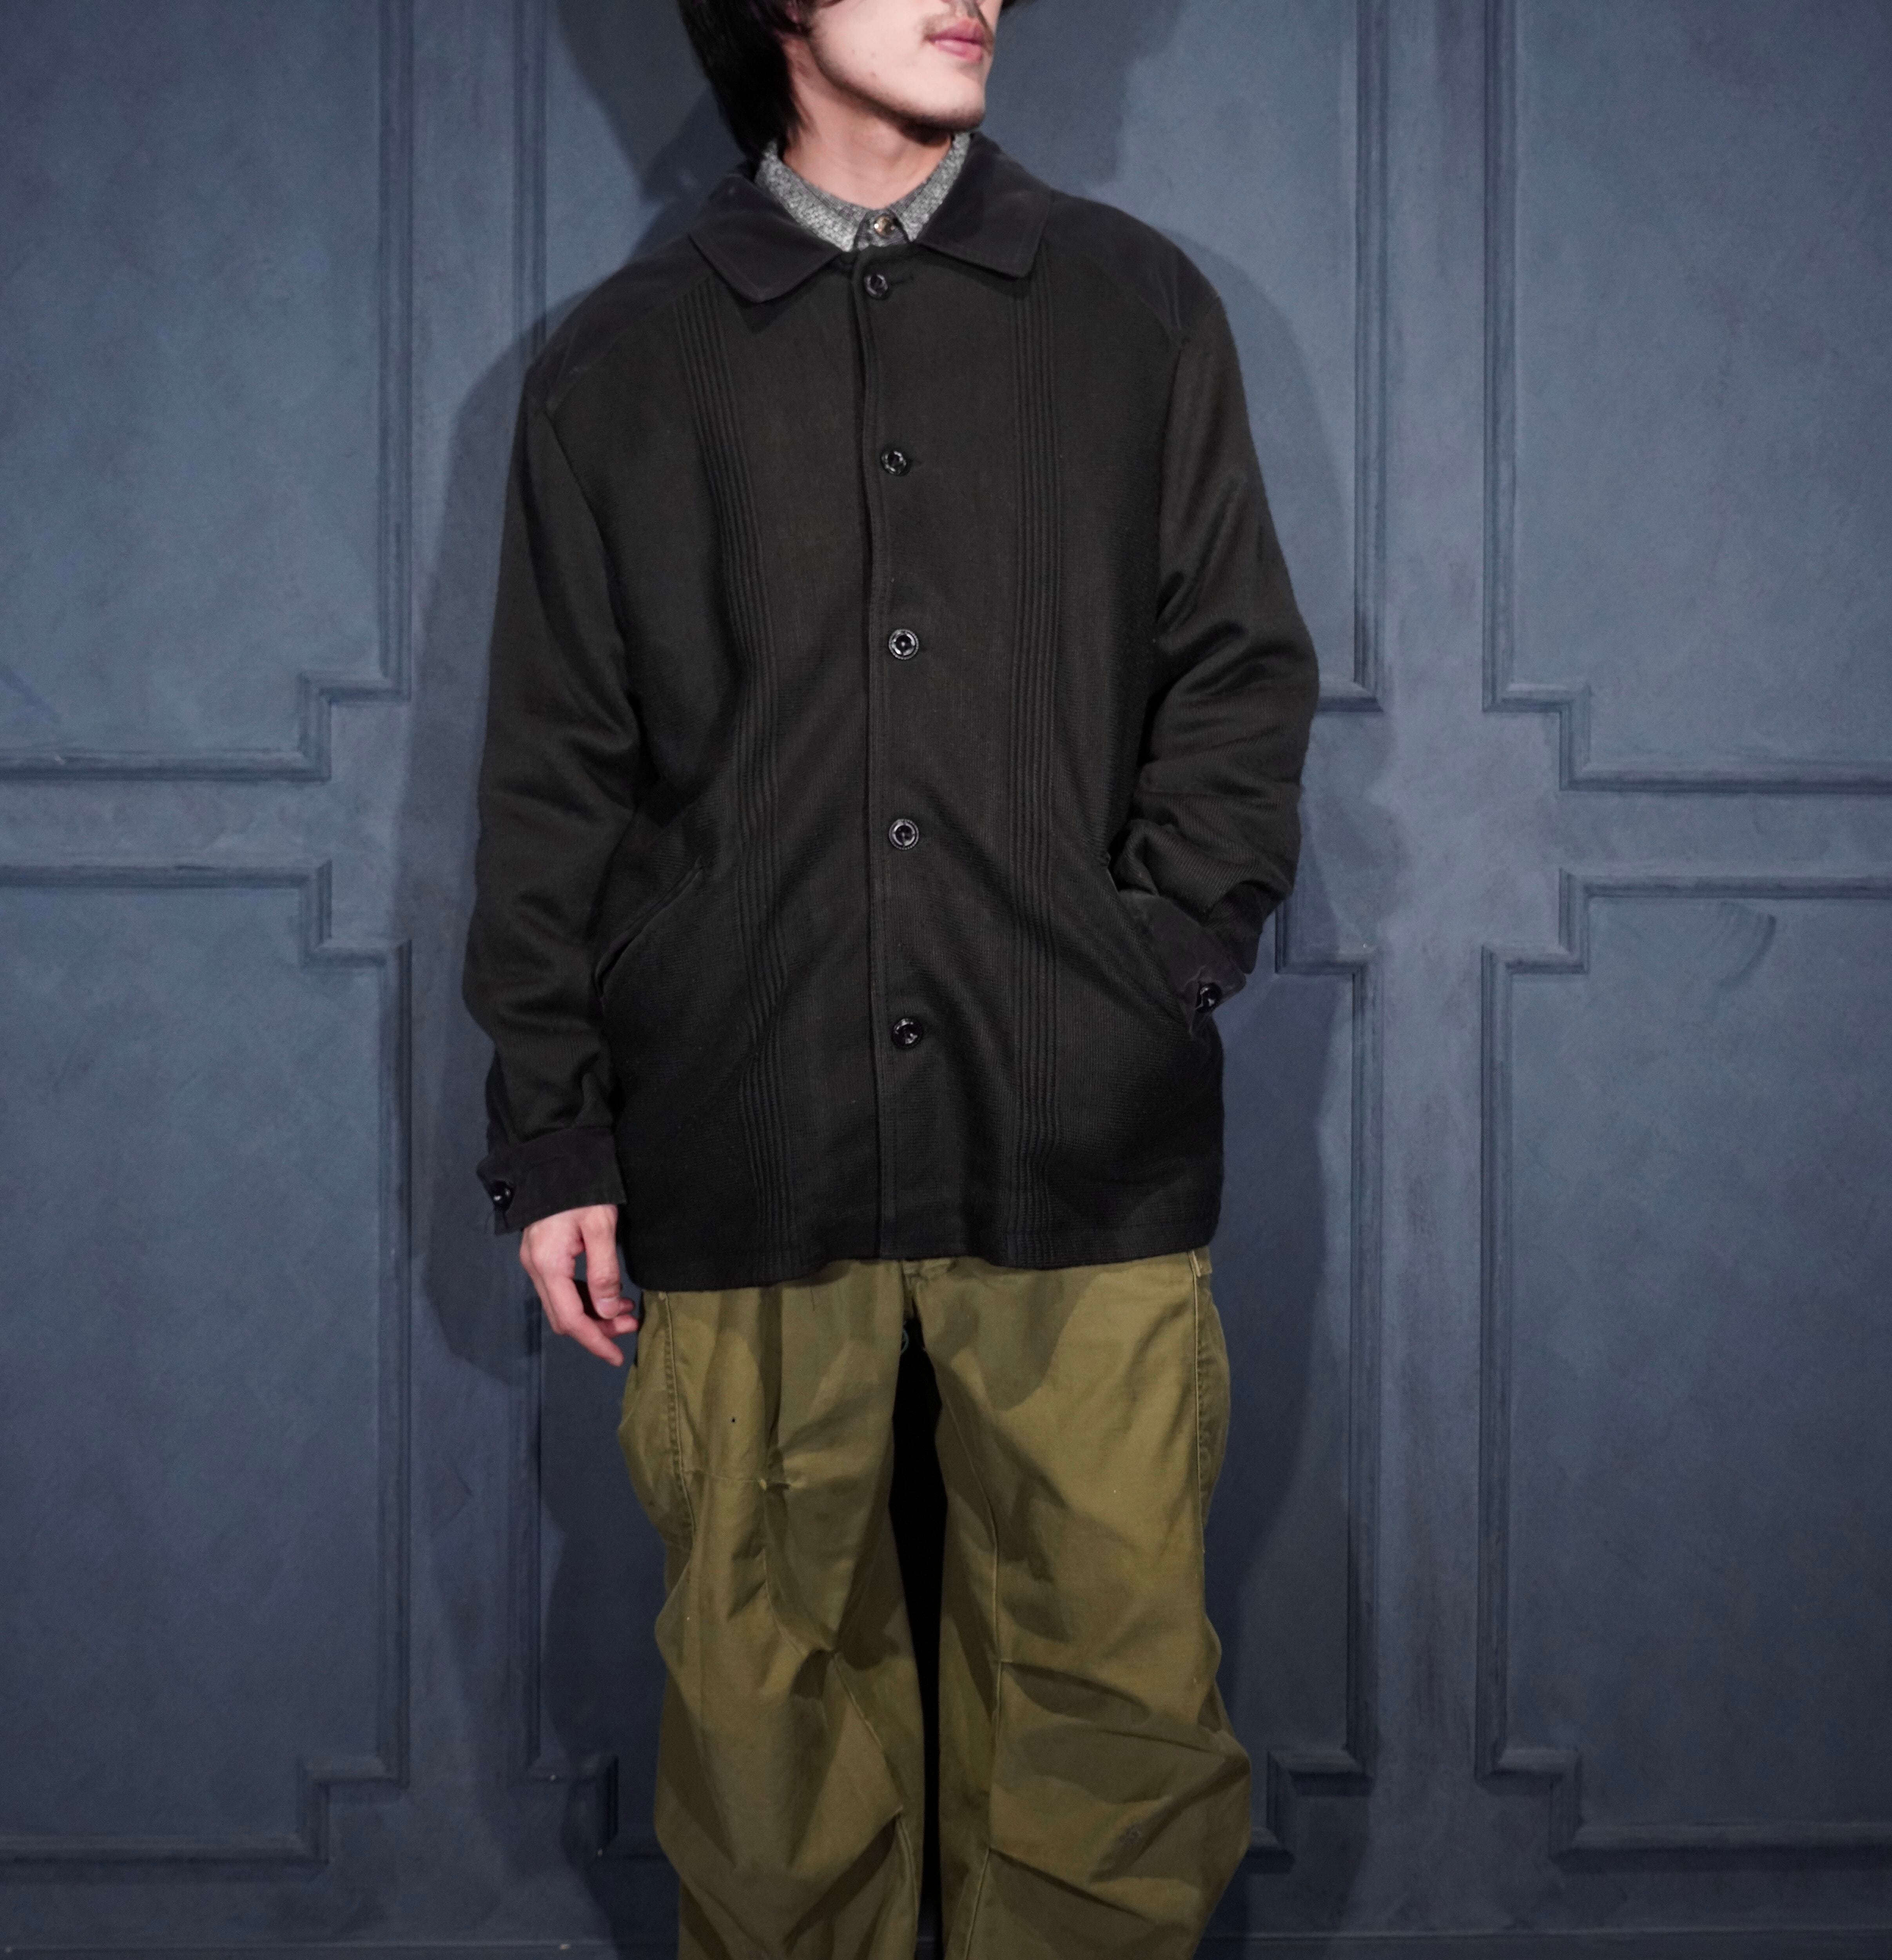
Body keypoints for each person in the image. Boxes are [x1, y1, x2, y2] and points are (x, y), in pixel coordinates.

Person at [460, 0, 1320, 1951]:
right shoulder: (621, 364)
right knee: (766, 1737)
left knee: (1112, 1718)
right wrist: (556, 1130)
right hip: (740, 1134)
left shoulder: (1131, 311)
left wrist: (1150, 964)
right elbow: (551, 775)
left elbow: (1236, 671)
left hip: (1080, 1137)